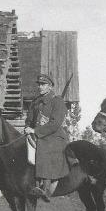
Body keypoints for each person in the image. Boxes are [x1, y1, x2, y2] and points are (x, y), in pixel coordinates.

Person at [25, 74, 69, 202]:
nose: (40, 87)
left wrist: (36, 131)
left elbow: (55, 123)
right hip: (36, 133)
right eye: (39, 84)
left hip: (54, 136)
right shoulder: (35, 102)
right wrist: (28, 128)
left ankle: (45, 188)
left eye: (43, 84)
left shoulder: (57, 101)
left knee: (44, 149)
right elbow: (29, 119)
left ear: (50, 87)